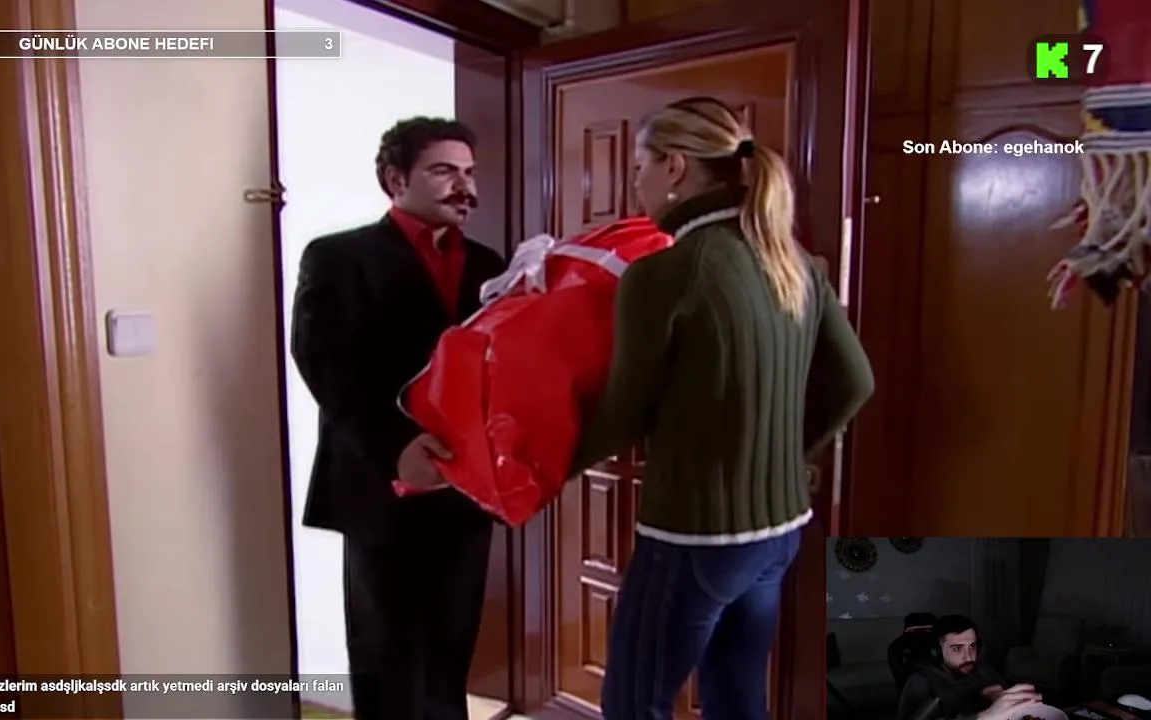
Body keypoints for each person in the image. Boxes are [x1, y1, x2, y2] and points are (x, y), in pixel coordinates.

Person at [568, 96, 876, 720]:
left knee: (633, 704)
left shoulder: (666, 273)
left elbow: (625, 415)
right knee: (736, 697)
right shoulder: (795, 263)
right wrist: (781, 456)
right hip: (779, 530)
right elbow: (855, 382)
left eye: (639, 167)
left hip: (692, 537)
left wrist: (532, 471)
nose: (636, 184)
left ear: (675, 167)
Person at [290, 117, 506, 720]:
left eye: (469, 172)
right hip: (379, 487)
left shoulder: (491, 264)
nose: (464, 186)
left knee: (449, 655)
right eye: (443, 171)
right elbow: (325, 364)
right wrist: (396, 447)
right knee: (387, 659)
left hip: (465, 491)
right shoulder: (338, 255)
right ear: (395, 179)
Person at [897, 615, 1042, 720]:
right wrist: (985, 717)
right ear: (937, 652)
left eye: (972, 646)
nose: (969, 657)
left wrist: (999, 697)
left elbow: (1005, 700)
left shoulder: (982, 669)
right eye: (957, 649)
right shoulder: (920, 681)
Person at [889, 613, 939, 689]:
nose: (921, 635)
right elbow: (900, 677)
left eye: (926, 630)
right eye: (914, 631)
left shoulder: (896, 647)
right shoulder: (897, 647)